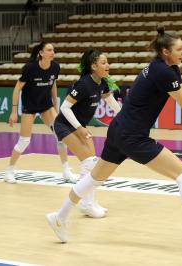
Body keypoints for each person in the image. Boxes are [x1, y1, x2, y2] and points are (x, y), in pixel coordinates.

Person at [46, 26, 182, 251]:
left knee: (94, 178)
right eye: (180, 49)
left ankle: (59, 217)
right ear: (166, 51)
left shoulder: (168, 68)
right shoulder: (164, 72)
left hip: (119, 130)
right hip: (132, 136)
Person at [52, 48, 121, 218]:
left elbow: (110, 100)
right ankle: (86, 204)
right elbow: (64, 107)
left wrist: (123, 116)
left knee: (92, 164)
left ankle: (88, 202)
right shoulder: (83, 84)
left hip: (78, 125)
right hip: (64, 125)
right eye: (103, 63)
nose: (108, 65)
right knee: (89, 161)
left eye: (107, 62)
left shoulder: (102, 82)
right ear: (93, 66)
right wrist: (79, 128)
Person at [5, 42, 77, 184]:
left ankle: (66, 171)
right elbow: (17, 88)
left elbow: (53, 84)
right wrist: (14, 111)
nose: (52, 52)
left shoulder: (55, 66)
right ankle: (9, 171)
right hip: (30, 106)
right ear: (41, 53)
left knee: (61, 136)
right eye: (49, 50)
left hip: (46, 105)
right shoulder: (30, 68)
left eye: (53, 50)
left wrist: (55, 106)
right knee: (24, 141)